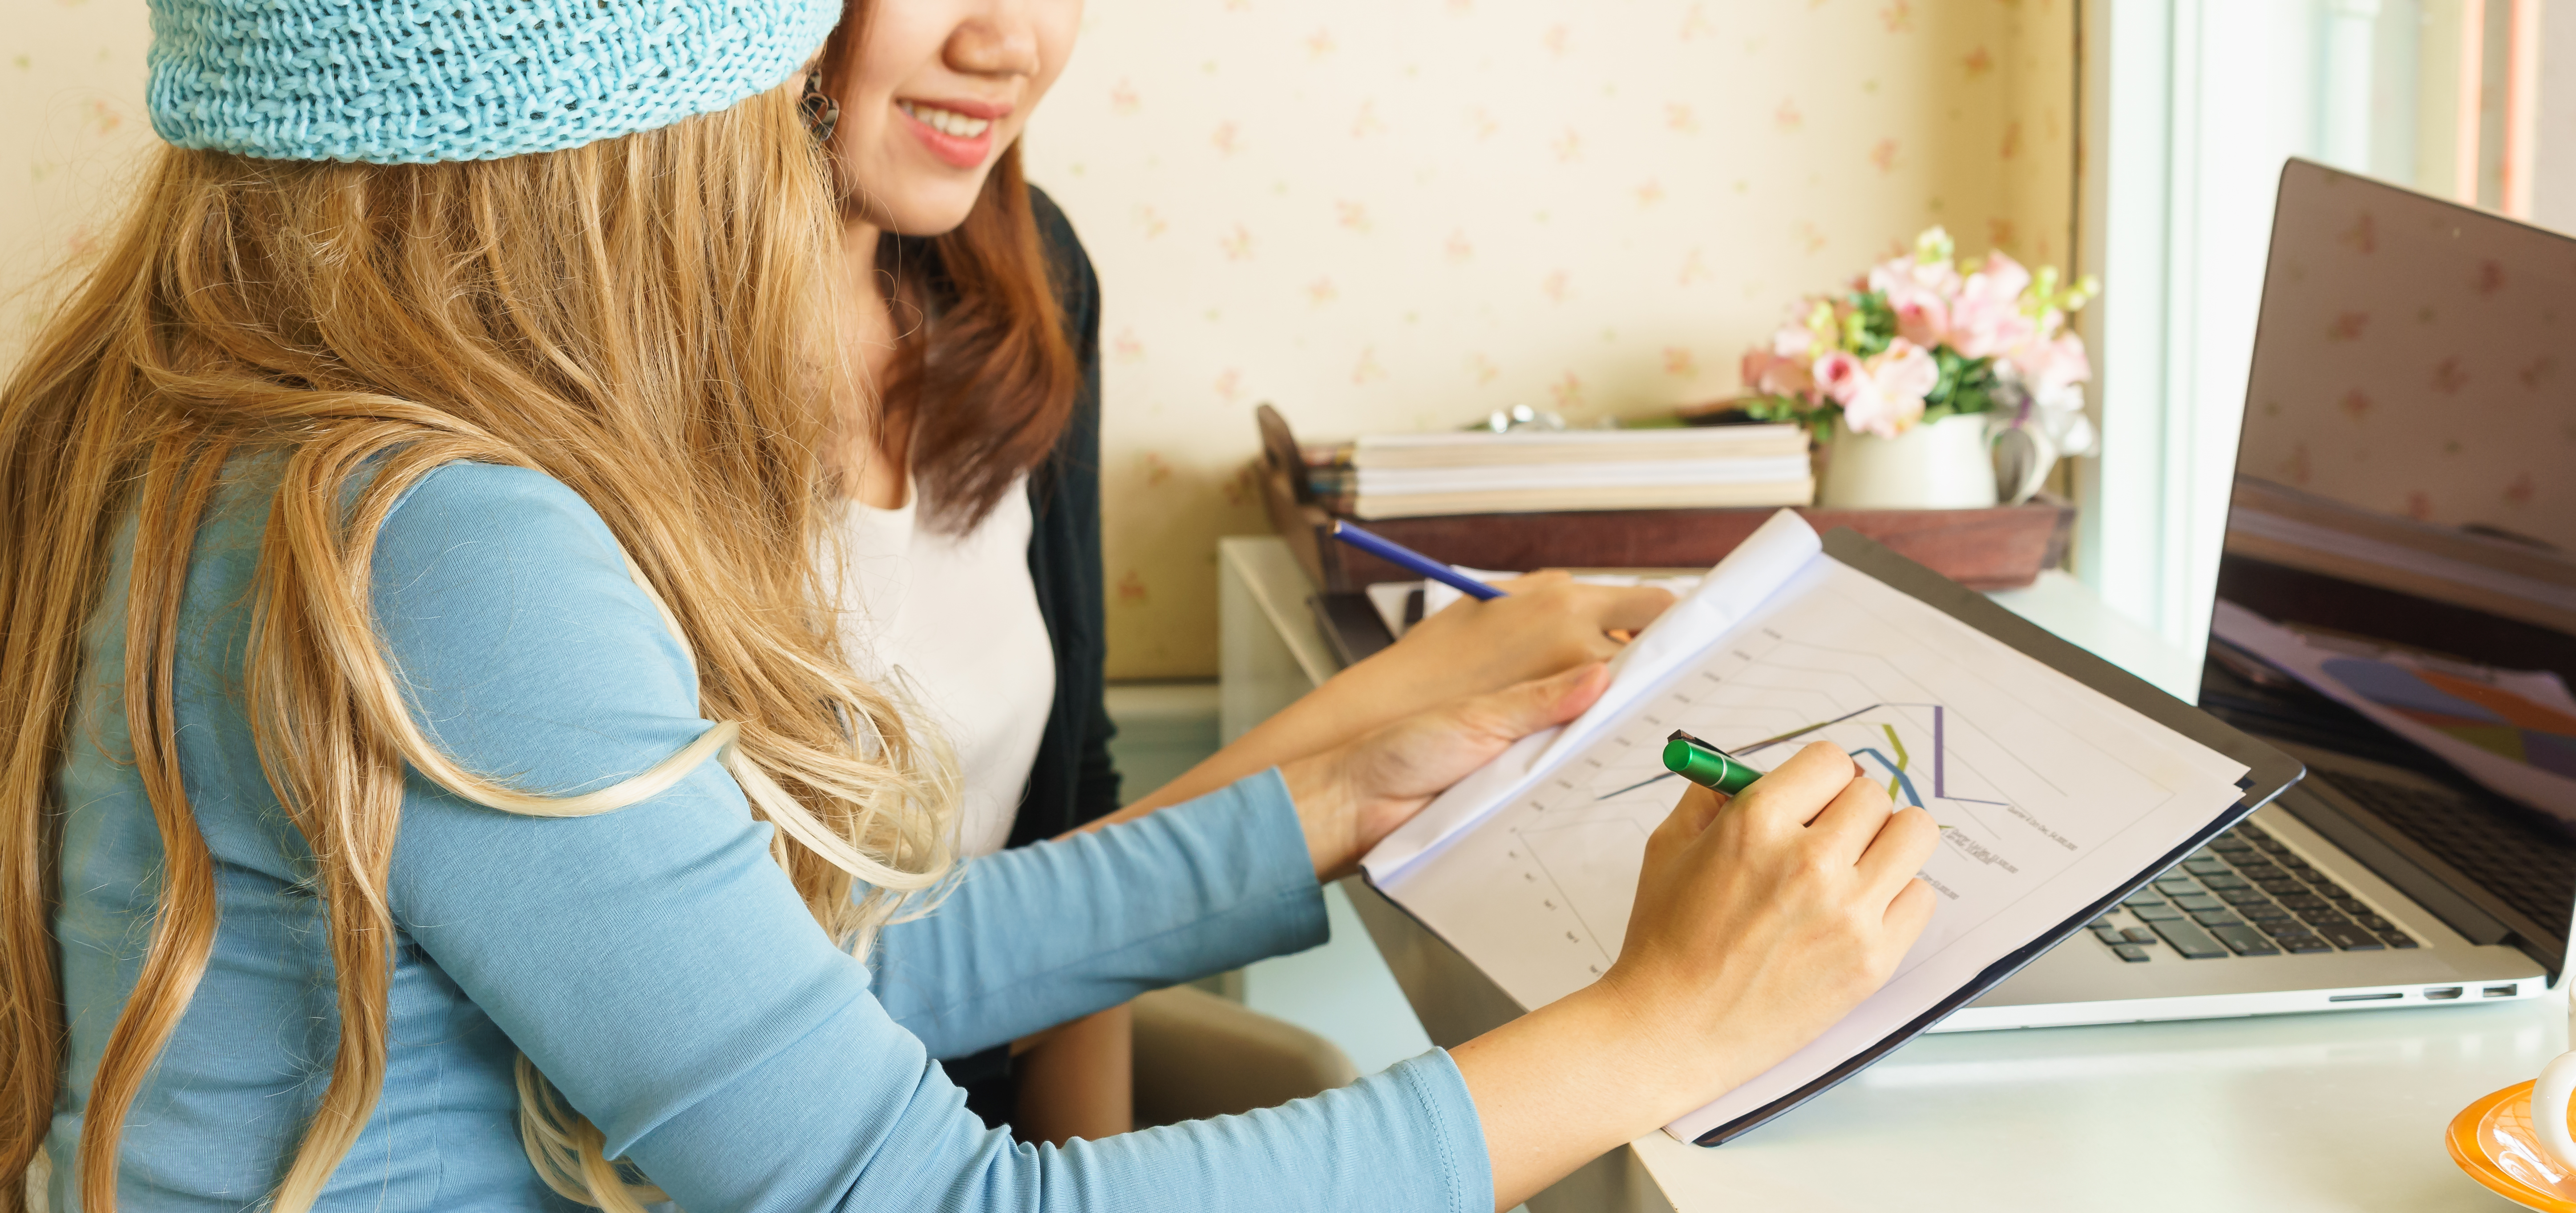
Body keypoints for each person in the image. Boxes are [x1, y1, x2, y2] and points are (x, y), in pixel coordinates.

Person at [0, 0, 1939, 1209]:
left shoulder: (225, 442)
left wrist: (1334, 805)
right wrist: (1663, 1029)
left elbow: (782, 989)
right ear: (630, 152)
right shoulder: (446, 545)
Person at [805, 0, 1681, 1142]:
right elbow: (799, 1011)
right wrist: (1371, 728)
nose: (1007, 45)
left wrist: (1083, 1153)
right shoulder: (583, 420)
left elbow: (1073, 797)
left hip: (986, 1099)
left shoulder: (1026, 280)